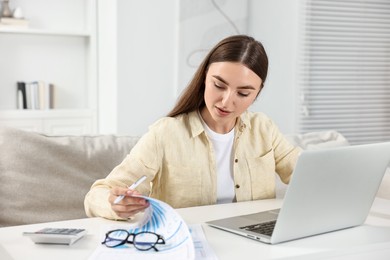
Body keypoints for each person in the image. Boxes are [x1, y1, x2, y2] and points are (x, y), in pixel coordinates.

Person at [84, 34, 301, 220]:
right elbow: (97, 194)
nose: (226, 102)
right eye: (219, 85)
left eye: (243, 93)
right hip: (191, 242)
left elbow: (306, 173)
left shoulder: (264, 128)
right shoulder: (166, 134)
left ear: (257, 93)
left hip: (253, 243)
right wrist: (113, 203)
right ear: (204, 77)